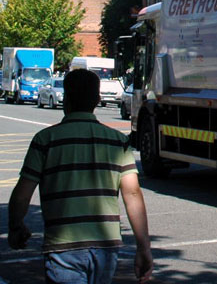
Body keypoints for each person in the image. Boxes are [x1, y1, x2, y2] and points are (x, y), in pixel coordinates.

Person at [7, 68, 153, 283]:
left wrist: (16, 226)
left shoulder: (45, 140)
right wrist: (143, 246)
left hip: (63, 245)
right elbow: (132, 194)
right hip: (106, 246)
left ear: (66, 99)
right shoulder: (117, 141)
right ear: (97, 100)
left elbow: (22, 193)